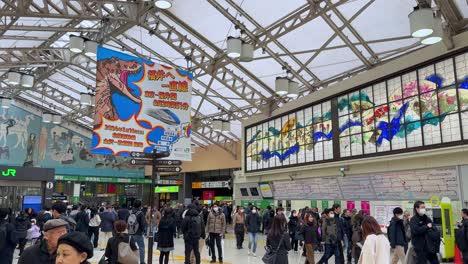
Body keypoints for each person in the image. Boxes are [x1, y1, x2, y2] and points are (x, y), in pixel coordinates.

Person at [128, 200, 146, 264]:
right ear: (140, 206)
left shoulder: (129, 212)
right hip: (138, 233)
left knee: (130, 247)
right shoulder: (140, 213)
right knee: (141, 247)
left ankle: (130, 260)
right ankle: (142, 261)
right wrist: (143, 231)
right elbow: (143, 224)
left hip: (130, 233)